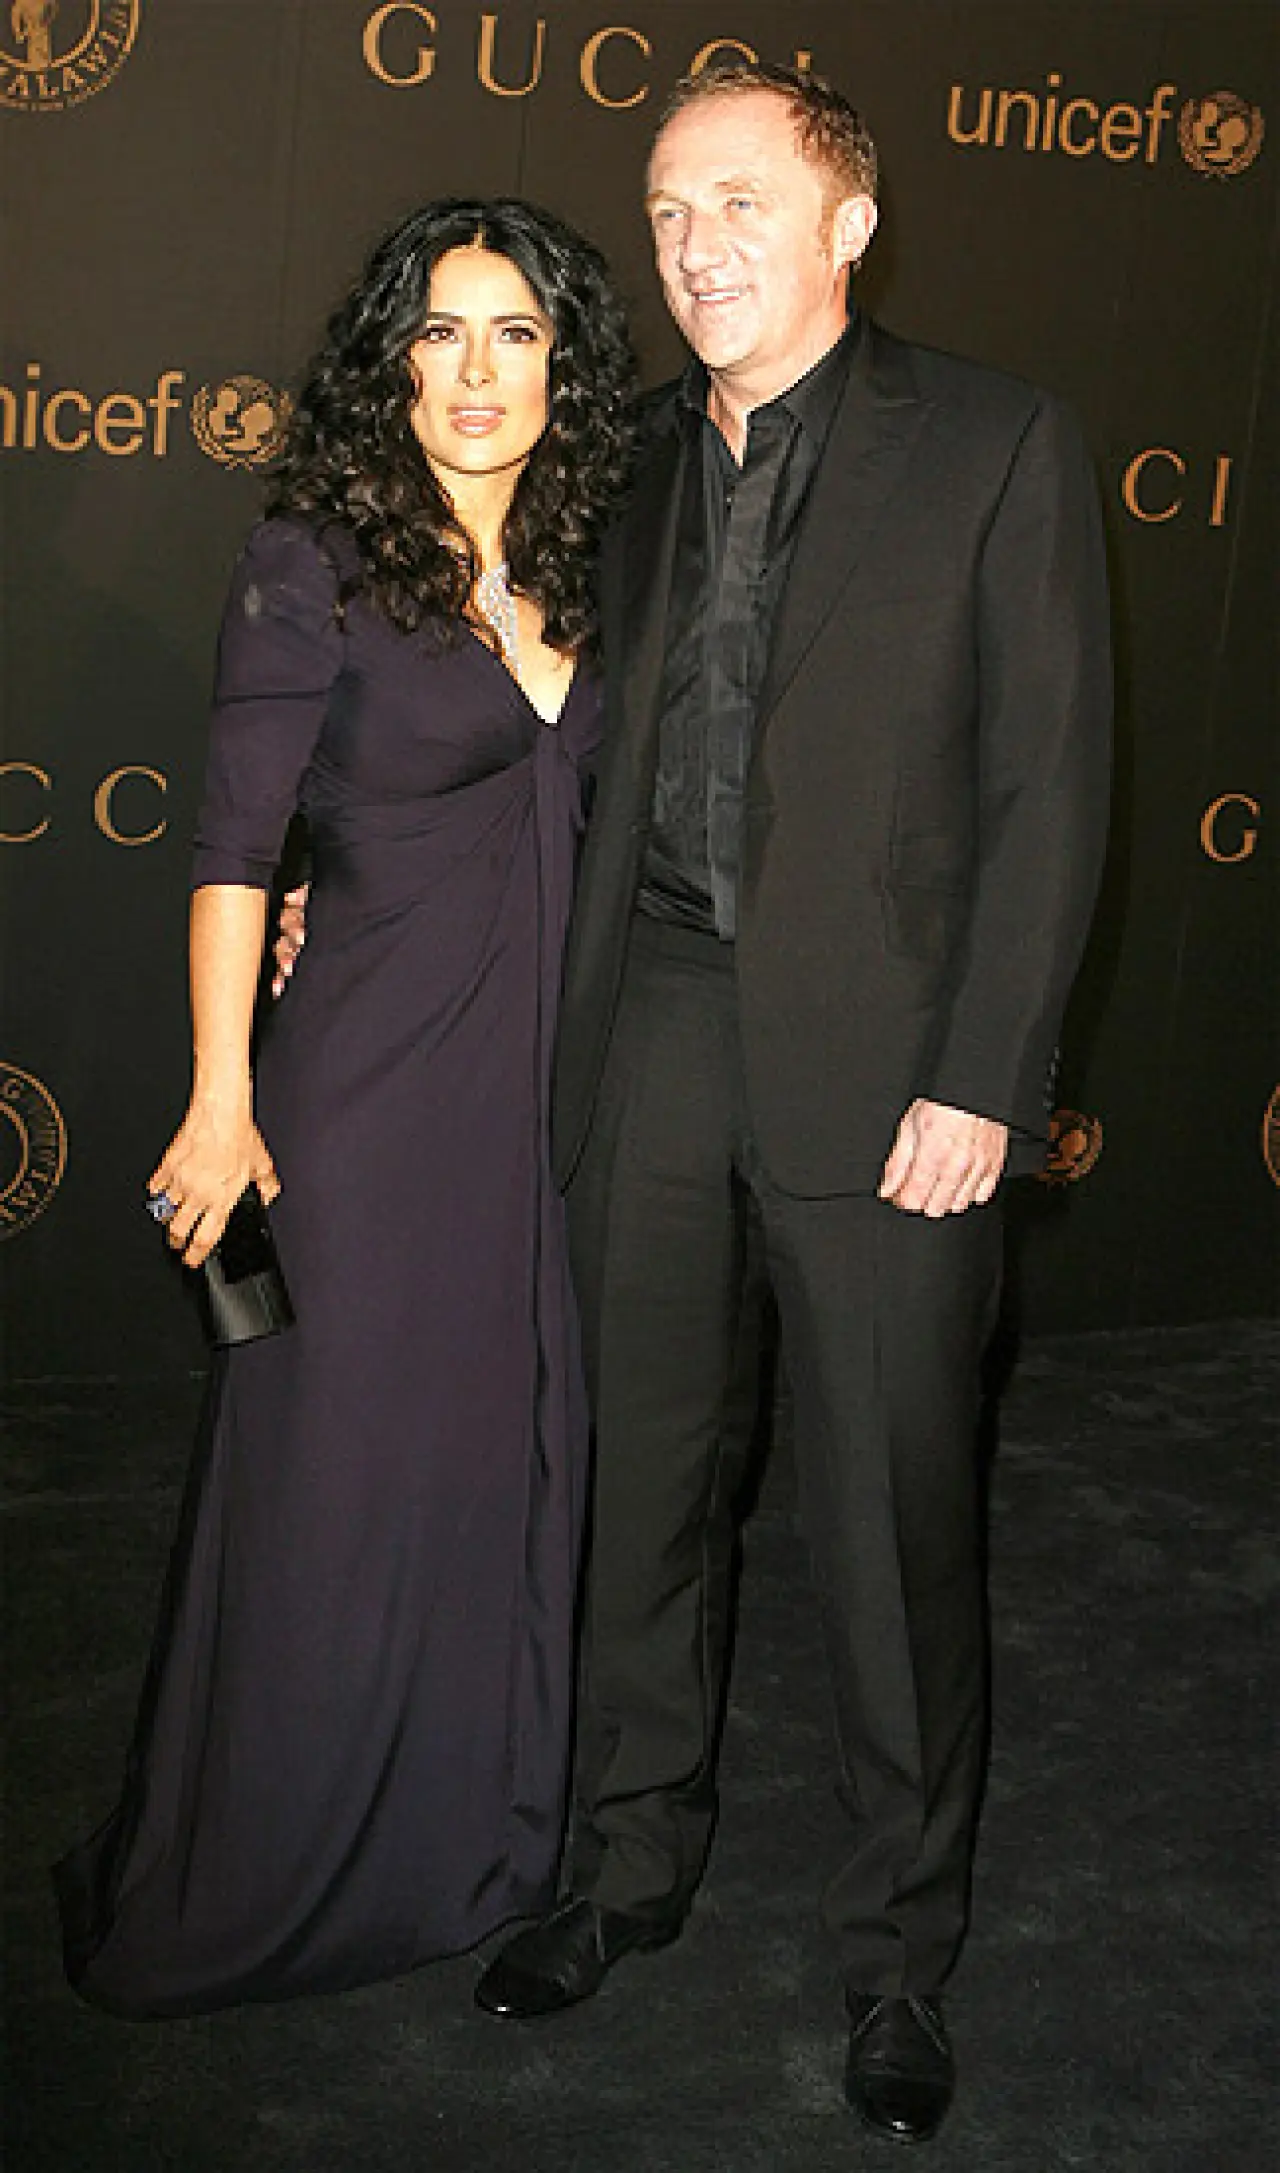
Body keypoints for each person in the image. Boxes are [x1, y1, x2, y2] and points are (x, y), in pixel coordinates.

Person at [466, 63, 1113, 2146]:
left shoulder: (997, 443)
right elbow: (529, 744)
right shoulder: (629, 459)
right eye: (667, 210)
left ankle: (895, 1959)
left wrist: (984, 1080)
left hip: (894, 1071)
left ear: (849, 222)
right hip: (650, 1024)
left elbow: (1048, 790)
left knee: (893, 1530)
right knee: (638, 1489)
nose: (693, 244)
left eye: (738, 200)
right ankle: (622, 1863)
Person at [52, 198, 637, 2017]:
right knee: (337, 1480)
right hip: (371, 1098)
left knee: (500, 1471)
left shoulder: (602, 563)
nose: (476, 373)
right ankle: (273, 1862)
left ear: (564, 367)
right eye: (438, 333)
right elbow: (236, 847)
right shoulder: (313, 558)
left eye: (516, 334)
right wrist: (223, 1100)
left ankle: (478, 1847)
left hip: (551, 1110)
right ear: (391, 363)